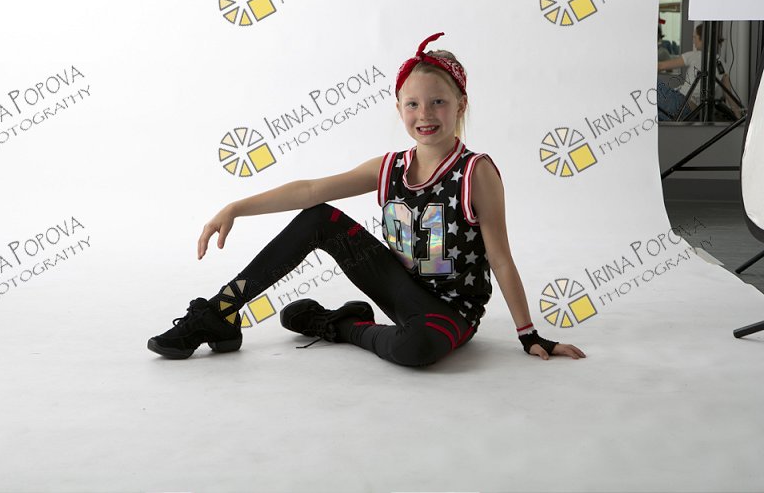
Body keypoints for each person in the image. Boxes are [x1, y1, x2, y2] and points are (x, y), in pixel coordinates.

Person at [147, 32, 586, 366]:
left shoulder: (477, 172)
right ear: (399, 108)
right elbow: (310, 190)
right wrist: (235, 208)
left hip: (451, 312)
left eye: (437, 102)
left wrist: (528, 334)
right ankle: (219, 313)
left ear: (461, 105)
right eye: (412, 104)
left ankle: (342, 325)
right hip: (399, 289)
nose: (425, 114)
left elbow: (501, 259)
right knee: (318, 217)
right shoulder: (390, 167)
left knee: (417, 350)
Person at [657, 24, 743, 120]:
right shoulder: (721, 63)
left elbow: (660, 66)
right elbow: (729, 95)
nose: (693, 41)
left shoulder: (694, 55)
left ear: (702, 38)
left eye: (694, 37)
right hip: (690, 112)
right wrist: (739, 118)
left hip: (680, 103)